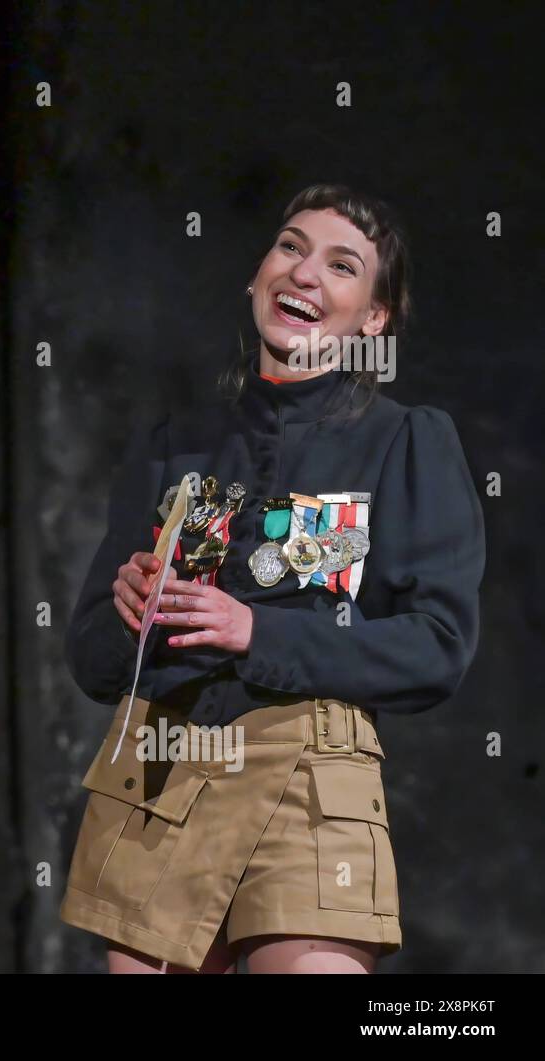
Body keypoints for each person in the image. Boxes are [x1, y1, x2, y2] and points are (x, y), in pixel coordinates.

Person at [59, 184, 484, 974]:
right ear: (257, 276)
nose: (305, 274)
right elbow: (88, 661)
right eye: (290, 247)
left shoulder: (405, 442)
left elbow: (438, 646)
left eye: (342, 265)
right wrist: (127, 620)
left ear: (373, 319)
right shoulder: (171, 446)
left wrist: (258, 631)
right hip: (160, 768)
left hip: (311, 776)